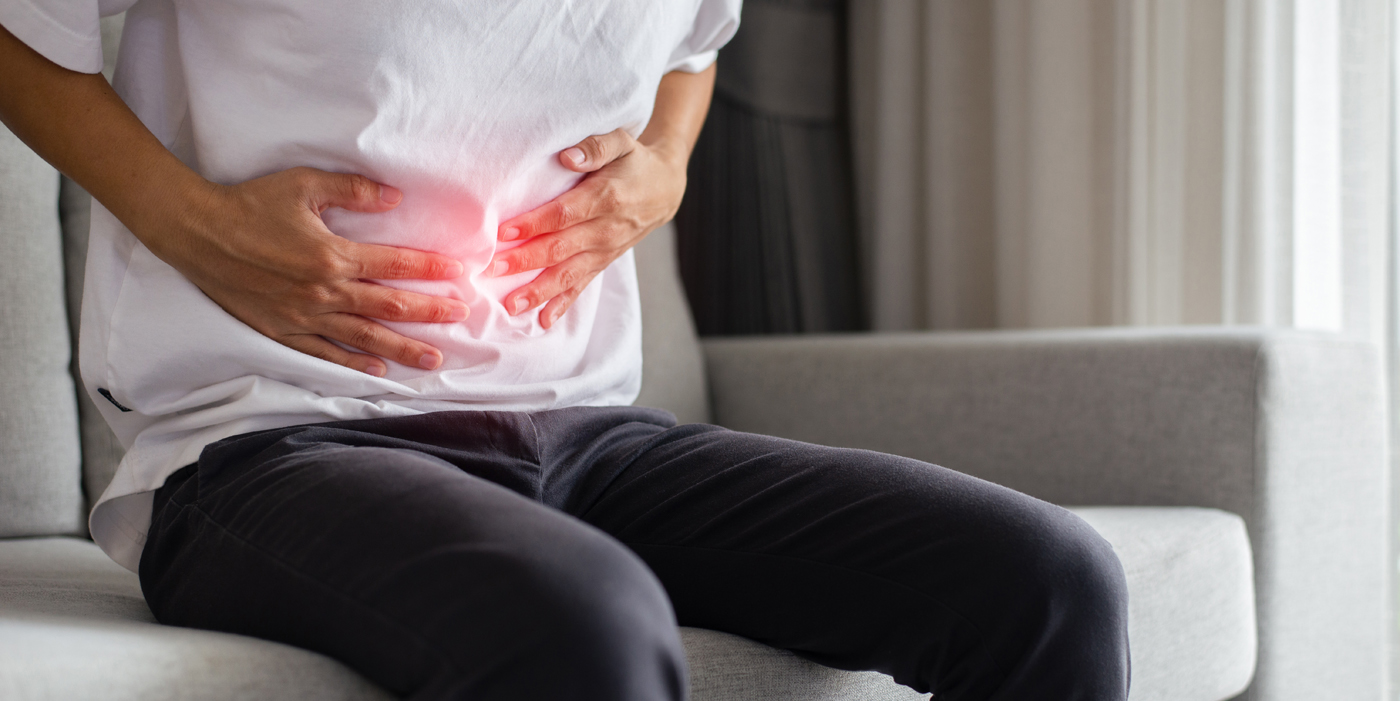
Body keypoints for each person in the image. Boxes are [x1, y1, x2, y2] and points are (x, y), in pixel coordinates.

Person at [0, 2, 1131, 699]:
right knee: (583, 618)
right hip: (267, 438)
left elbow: (692, 40)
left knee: (1043, 584)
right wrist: (191, 220)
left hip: (587, 430)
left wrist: (666, 164)